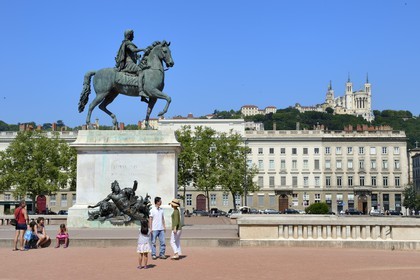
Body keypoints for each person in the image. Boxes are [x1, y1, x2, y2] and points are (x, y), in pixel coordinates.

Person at [115, 29, 146, 98]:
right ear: (129, 35)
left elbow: (130, 53)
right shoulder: (127, 43)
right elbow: (133, 50)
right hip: (129, 63)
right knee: (140, 71)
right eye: (132, 35)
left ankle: (143, 96)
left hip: (130, 62)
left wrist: (136, 56)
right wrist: (143, 49)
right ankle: (141, 91)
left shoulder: (125, 43)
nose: (133, 37)